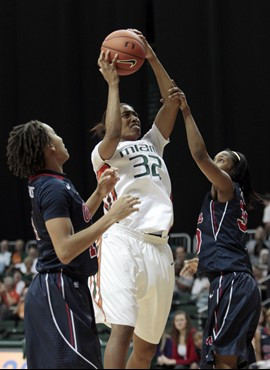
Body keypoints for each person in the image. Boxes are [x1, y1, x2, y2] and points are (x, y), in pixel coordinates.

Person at [6, 120, 140, 369]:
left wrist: (100, 194)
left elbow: (74, 225)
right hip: (58, 286)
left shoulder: (51, 183)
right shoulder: (52, 188)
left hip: (65, 286)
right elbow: (65, 249)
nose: (61, 138)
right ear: (48, 147)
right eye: (55, 133)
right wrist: (112, 216)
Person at [90, 29, 180, 369]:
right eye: (125, 114)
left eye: (134, 114)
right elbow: (112, 130)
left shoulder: (153, 142)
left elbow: (172, 100)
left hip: (159, 246)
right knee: (122, 331)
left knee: (145, 351)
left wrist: (150, 56)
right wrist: (113, 84)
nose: (133, 117)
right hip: (123, 238)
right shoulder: (104, 153)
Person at [177, 89, 261, 369]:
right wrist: (199, 261)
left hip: (232, 282)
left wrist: (186, 111)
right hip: (233, 280)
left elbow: (199, 155)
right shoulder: (222, 201)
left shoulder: (227, 187)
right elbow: (224, 241)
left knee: (221, 361)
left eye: (223, 159)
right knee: (228, 361)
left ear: (232, 171)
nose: (216, 159)